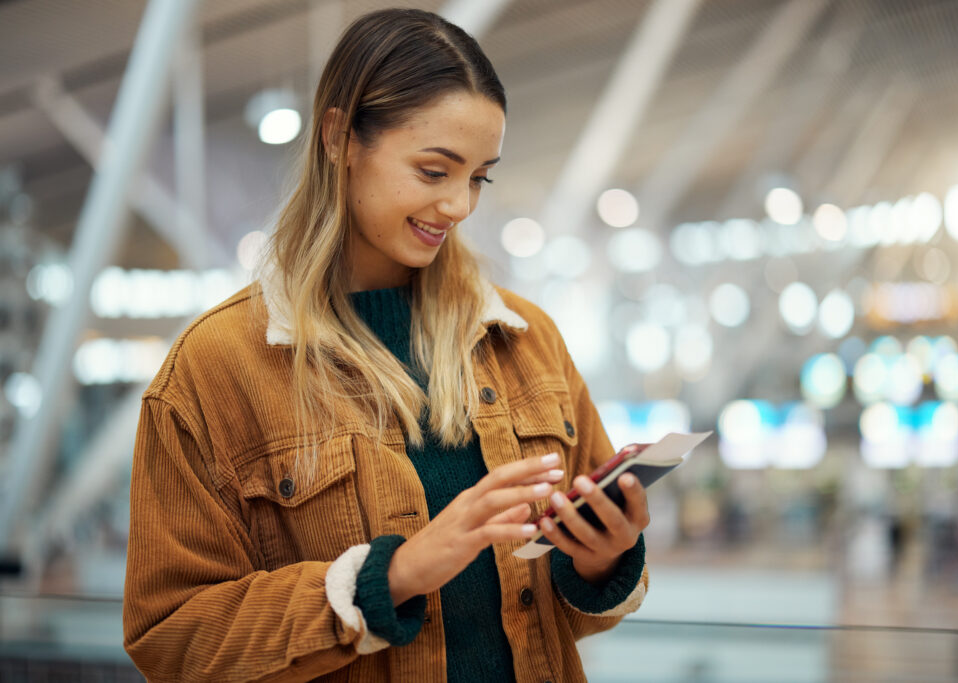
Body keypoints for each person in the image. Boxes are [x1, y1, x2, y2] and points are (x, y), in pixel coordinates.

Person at [123, 8, 649, 682]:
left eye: (479, 177)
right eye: (435, 171)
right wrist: (391, 576)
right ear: (340, 137)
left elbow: (563, 617)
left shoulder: (526, 340)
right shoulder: (215, 368)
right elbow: (171, 638)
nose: (460, 205)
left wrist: (602, 557)